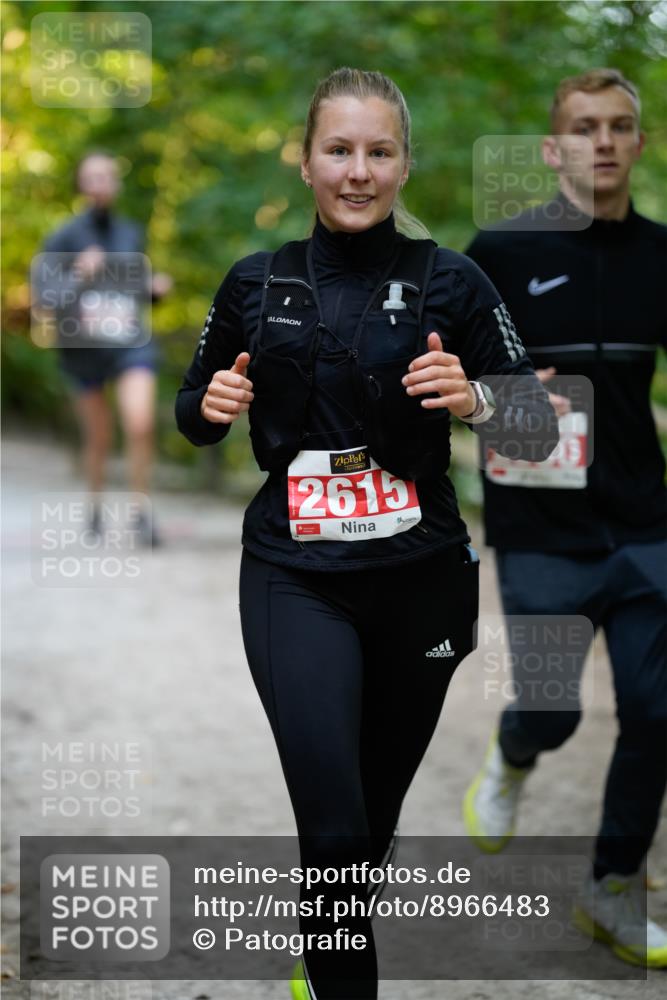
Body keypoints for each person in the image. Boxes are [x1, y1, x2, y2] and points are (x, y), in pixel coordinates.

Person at [176, 68, 556, 1000]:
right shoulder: (256, 281)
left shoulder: (452, 282)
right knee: (336, 828)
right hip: (294, 575)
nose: (358, 171)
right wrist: (210, 404)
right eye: (338, 150)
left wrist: (474, 400)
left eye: (378, 152)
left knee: (366, 826)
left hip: (420, 580)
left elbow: (538, 429)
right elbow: (194, 411)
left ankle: (321, 957)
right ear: (305, 162)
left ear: (403, 164)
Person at [463, 68, 667, 968]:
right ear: (553, 149)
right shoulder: (499, 254)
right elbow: (444, 377)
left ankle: (612, 890)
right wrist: (494, 396)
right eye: (584, 127)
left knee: (657, 712)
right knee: (551, 712)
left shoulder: (660, 255)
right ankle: (514, 754)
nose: (603, 141)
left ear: (639, 143)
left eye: (619, 126)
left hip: (645, 526)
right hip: (539, 528)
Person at [37, 152, 172, 542]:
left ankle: (140, 514)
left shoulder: (131, 233)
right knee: (98, 436)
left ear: (116, 183)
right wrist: (79, 275)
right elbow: (44, 299)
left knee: (140, 423)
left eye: (107, 177)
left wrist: (153, 289)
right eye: (93, 177)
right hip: (83, 350)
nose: (101, 184)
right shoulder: (63, 237)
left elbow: (133, 290)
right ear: (81, 185)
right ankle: (95, 508)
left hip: (130, 343)